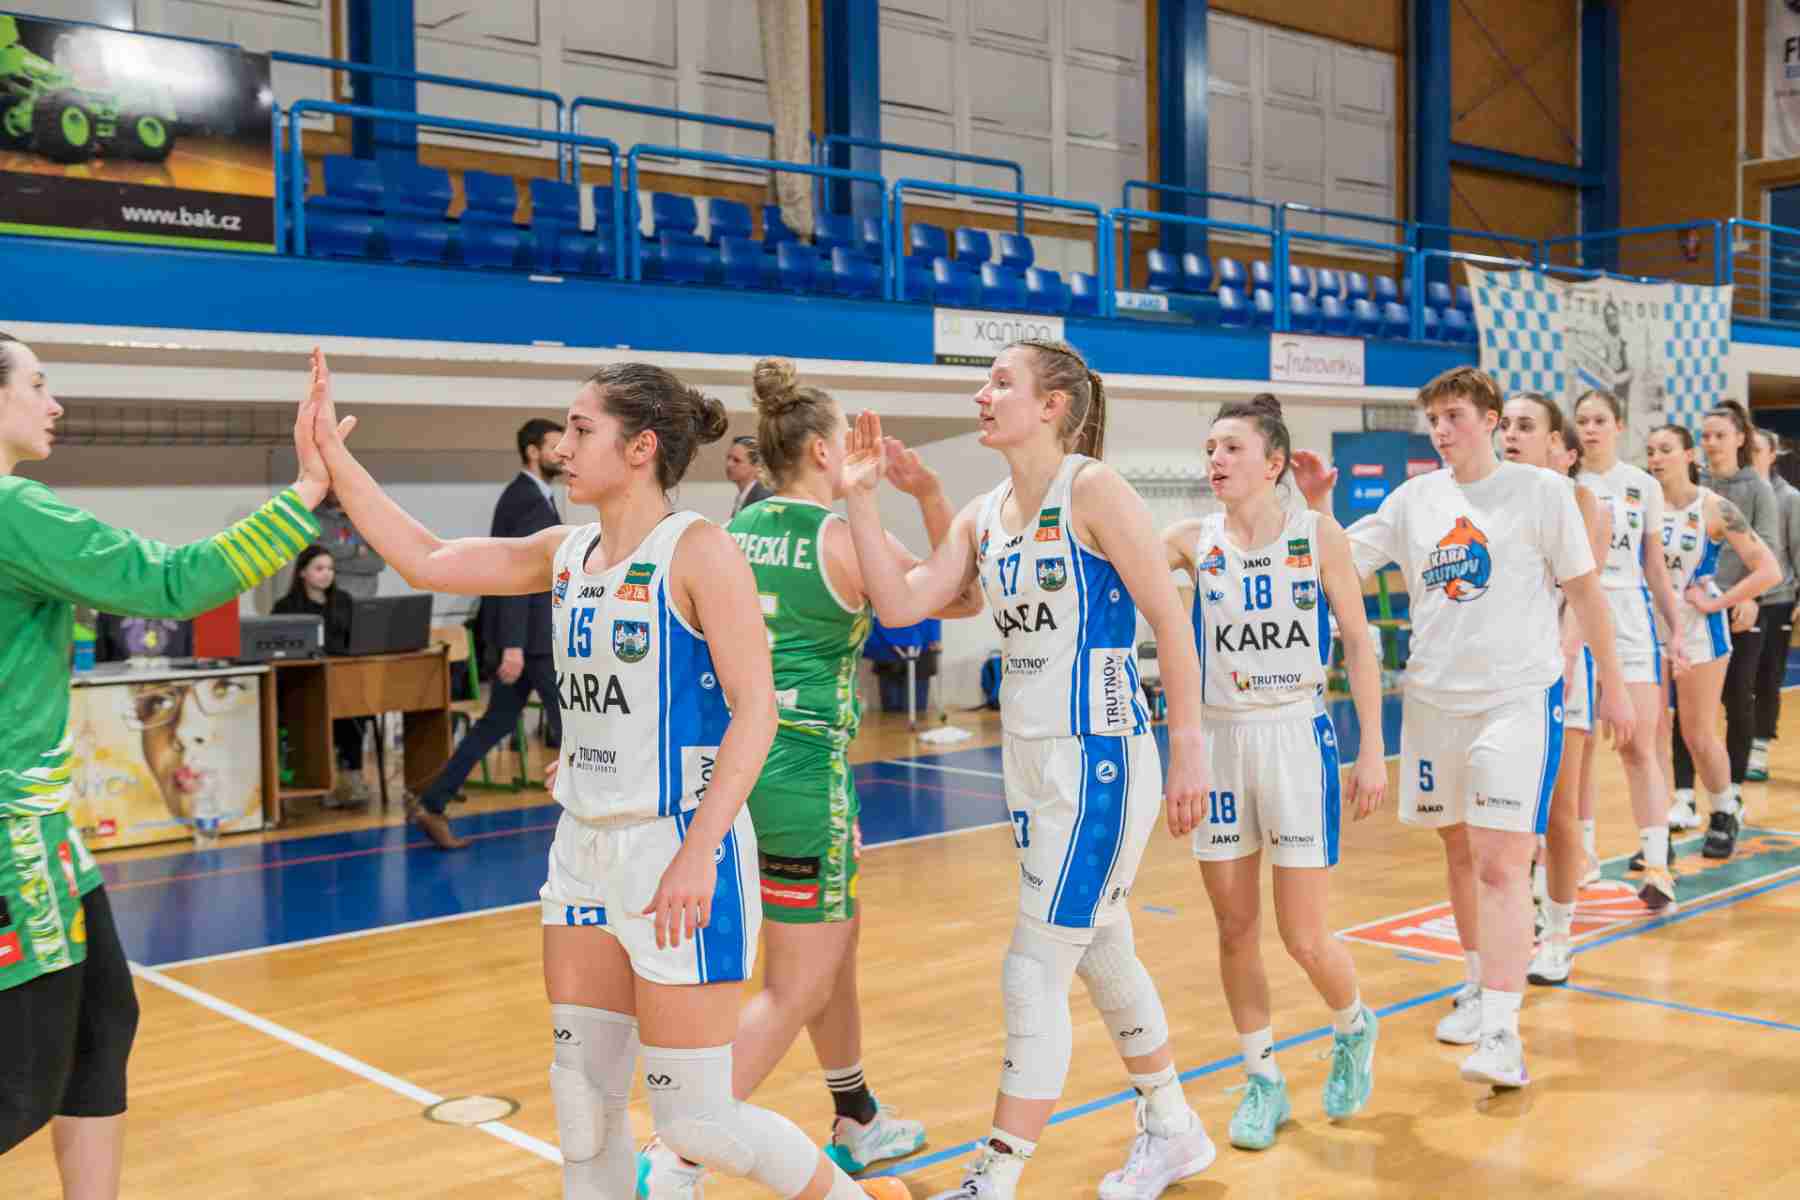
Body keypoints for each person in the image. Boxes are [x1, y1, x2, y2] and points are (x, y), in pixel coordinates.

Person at [301, 351, 904, 1200]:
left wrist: (697, 853)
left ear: (640, 447)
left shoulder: (700, 552)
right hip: (583, 850)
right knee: (583, 1110)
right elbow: (429, 558)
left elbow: (757, 712)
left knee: (698, 1122)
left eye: (582, 430)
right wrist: (335, 460)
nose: (562, 447)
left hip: (676, 848)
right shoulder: (566, 549)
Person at [842, 338, 1216, 1200]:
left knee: (1033, 964)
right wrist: (862, 499)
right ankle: (1173, 1127)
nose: (982, 394)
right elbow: (901, 604)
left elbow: (1170, 618)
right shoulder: (983, 514)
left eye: (1000, 382)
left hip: (1101, 757)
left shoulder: (1094, 490)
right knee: (1101, 948)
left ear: (1051, 406)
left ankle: (997, 1174)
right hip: (1029, 759)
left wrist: (1191, 750)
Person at [638, 360, 983, 1194]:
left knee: (838, 944)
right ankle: (676, 1151)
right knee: (793, 986)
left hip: (726, 772)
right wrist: (933, 496)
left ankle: (856, 1113)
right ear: (827, 452)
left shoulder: (731, 531)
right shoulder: (843, 539)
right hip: (801, 777)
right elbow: (959, 598)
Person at [0, 332, 327, 1196]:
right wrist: (305, 492)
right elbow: (173, 582)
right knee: (19, 1082)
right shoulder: (13, 510)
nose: (54, 403)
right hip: (11, 839)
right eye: (37, 384)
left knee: (101, 1028)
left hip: (46, 832)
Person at [1292, 366, 1631, 1089]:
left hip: (1517, 698)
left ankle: (1505, 1031)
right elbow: (1338, 567)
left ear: (1490, 419)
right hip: (1432, 702)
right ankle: (1478, 985)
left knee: (1502, 862)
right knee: (1458, 852)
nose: (1442, 431)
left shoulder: (1540, 492)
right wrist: (1318, 505)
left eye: (1454, 417)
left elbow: (1585, 593)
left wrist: (1617, 687)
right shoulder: (1415, 499)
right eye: (1434, 420)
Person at [1162, 394, 1385, 1151]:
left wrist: (1371, 749)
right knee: (1234, 929)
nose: (1216, 460)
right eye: (1210, 449)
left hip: (1296, 735)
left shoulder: (1317, 534)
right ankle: (1262, 1078)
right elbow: (1109, 553)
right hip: (1222, 740)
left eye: (1232, 448)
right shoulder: (1189, 540)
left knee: (1304, 936)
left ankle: (1353, 1025)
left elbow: (1360, 644)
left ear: (1273, 463)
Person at [407, 418, 567, 850]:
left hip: (530, 640)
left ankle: (432, 801)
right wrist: (513, 645)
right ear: (532, 451)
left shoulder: (534, 496)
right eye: (555, 445)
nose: (563, 452)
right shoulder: (526, 499)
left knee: (497, 722)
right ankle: (595, 820)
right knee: (572, 726)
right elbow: (515, 576)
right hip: (531, 643)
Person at [1497, 395, 1608, 987]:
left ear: (1557, 444)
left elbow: (1583, 596)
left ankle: (1559, 934)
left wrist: (1565, 654)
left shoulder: (1581, 502)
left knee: (1560, 812)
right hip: (1499, 673)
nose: (1511, 435)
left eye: (1525, 426)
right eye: (1505, 426)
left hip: (1560, 668)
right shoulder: (1488, 495)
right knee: (1504, 816)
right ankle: (1514, 925)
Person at [1572, 390, 1686, 910]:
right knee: (1579, 748)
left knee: (1639, 745)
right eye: (1582, 420)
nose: (1590, 429)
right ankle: (1583, 855)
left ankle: (1657, 864)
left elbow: (1654, 566)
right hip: (1576, 615)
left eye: (1599, 420)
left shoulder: (1643, 485)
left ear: (1618, 426)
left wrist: (1674, 628)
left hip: (1631, 622)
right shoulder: (1564, 482)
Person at [1648, 425, 1779, 865]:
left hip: (1699, 628)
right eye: (1650, 451)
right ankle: (1655, 830)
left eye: (1666, 449)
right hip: (1648, 626)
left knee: (1697, 733)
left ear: (1688, 455)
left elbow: (1769, 569)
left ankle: (1724, 809)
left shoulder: (1715, 507)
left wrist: (1719, 602)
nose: (1656, 458)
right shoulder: (1641, 504)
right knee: (1652, 733)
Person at [274, 544, 369, 807]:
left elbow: (356, 641)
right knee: (322, 709)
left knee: (354, 707)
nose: (327, 574)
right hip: (302, 685)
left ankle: (351, 776)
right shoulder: (286, 607)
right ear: (302, 573)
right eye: (319, 568)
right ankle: (325, 780)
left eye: (330, 569)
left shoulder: (344, 602)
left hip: (341, 681)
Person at [1747, 427, 1800, 784]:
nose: (1749, 456)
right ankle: (1738, 744)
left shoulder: (1790, 499)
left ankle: (1759, 748)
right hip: (1739, 600)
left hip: (1777, 600)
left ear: (1772, 455)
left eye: (1756, 450)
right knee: (1739, 679)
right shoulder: (1736, 494)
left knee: (1768, 675)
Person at [314, 490, 384, 599]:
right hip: (323, 598)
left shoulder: (368, 518)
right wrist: (355, 550)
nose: (336, 489)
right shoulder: (310, 516)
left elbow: (377, 563)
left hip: (362, 598)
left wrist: (332, 558)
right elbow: (310, 559)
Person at [728, 435, 774, 517]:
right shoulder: (742, 496)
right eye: (728, 458)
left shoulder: (762, 498)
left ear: (757, 465)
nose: (729, 464)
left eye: (737, 460)